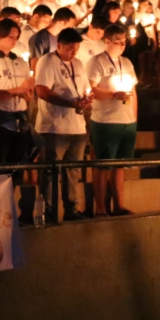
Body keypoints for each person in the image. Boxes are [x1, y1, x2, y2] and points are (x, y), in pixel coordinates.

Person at [34, 27, 92, 220]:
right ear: (58, 45)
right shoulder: (47, 61)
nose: (73, 53)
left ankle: (71, 209)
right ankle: (48, 211)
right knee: (51, 171)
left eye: (76, 49)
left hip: (76, 126)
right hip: (54, 126)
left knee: (72, 172)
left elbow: (83, 89)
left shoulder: (79, 64)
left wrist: (85, 100)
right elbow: (42, 90)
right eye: (70, 49)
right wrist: (70, 103)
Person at [86, 24, 138, 216]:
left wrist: (134, 117)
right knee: (102, 165)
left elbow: (133, 91)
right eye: (117, 42)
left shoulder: (127, 62)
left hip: (126, 121)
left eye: (124, 42)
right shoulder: (96, 62)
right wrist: (113, 95)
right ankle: (100, 207)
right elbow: (92, 89)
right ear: (106, 41)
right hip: (106, 120)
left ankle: (119, 204)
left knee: (120, 166)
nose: (122, 45)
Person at [0, 17, 36, 166]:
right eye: (11, 36)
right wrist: (19, 89)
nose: (14, 40)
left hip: (19, 123)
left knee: (16, 170)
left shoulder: (21, 62)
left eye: (16, 37)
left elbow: (28, 97)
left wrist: (28, 94)